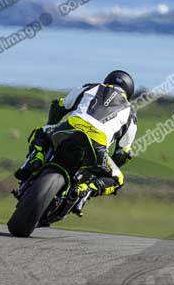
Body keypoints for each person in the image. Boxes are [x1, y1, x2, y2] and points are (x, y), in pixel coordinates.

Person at [14, 70, 138, 212]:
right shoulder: (130, 113)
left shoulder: (90, 87)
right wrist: (102, 171)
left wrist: (51, 125)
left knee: (41, 131)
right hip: (97, 148)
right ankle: (85, 190)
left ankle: (35, 160)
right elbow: (124, 152)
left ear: (107, 81)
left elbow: (59, 106)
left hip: (68, 130)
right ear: (129, 93)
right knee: (118, 180)